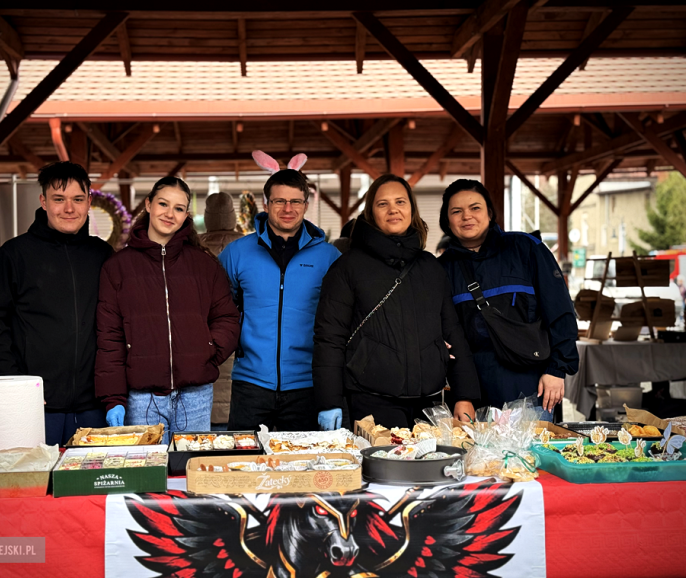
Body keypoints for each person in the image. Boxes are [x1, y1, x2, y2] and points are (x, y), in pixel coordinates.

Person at [313, 174, 480, 430]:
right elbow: (329, 338)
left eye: (400, 202)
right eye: (383, 204)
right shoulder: (348, 267)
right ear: (371, 213)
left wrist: (464, 395)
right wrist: (329, 401)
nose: (393, 209)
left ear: (411, 209)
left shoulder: (430, 267)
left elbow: (452, 332)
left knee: (430, 470)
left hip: (430, 403)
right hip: (373, 402)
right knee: (384, 470)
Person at [0, 161, 114, 445]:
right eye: (59, 199)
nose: (69, 209)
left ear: (89, 202)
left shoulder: (102, 254)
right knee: (37, 487)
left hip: (94, 408)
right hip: (36, 406)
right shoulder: (14, 254)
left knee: (92, 488)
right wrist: (17, 389)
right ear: (43, 201)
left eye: (78, 199)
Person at [95, 177, 240, 445]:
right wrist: (113, 398)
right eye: (163, 204)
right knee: (147, 478)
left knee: (192, 472)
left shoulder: (204, 265)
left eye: (178, 208)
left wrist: (206, 353)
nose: (169, 214)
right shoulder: (118, 267)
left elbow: (227, 317)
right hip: (142, 399)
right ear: (148, 204)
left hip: (195, 396)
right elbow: (109, 339)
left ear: (186, 215)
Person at [437, 179, 579, 419]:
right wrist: (462, 394)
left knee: (531, 457)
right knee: (476, 458)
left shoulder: (526, 249)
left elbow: (561, 311)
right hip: (471, 397)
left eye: (475, 208)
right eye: (456, 211)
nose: (466, 216)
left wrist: (557, 369)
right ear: (447, 220)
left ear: (490, 213)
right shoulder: (440, 269)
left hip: (531, 392)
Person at [219, 151, 340, 432]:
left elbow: (339, 320)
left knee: (301, 469)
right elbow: (221, 308)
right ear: (265, 203)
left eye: (296, 201)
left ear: (306, 204)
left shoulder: (329, 257)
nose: (288, 208)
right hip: (251, 384)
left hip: (307, 386)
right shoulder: (237, 253)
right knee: (244, 468)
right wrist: (239, 342)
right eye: (280, 201)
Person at [194, 191, 244, 430]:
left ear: (207, 217)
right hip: (238, 349)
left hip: (202, 352)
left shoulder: (192, 251)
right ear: (233, 217)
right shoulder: (249, 248)